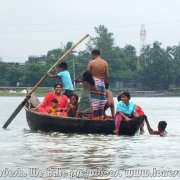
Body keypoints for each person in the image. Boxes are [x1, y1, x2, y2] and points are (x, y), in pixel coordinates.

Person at [87, 49, 109, 120]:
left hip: (94, 83)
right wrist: (103, 83)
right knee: (101, 102)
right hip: (102, 84)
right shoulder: (105, 63)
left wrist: (89, 85)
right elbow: (107, 76)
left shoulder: (91, 62)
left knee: (94, 102)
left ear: (94, 54)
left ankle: (94, 119)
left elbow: (87, 75)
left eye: (92, 55)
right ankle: (100, 118)